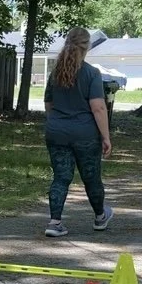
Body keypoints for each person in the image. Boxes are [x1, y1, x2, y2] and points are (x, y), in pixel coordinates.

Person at [43, 26, 113, 237]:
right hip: (85, 134)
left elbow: (48, 103)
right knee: (91, 177)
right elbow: (98, 108)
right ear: (87, 46)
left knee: (61, 177)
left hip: (57, 132)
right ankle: (100, 217)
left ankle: (54, 223)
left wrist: (57, 123)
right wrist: (106, 137)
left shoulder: (56, 71)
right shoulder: (91, 73)